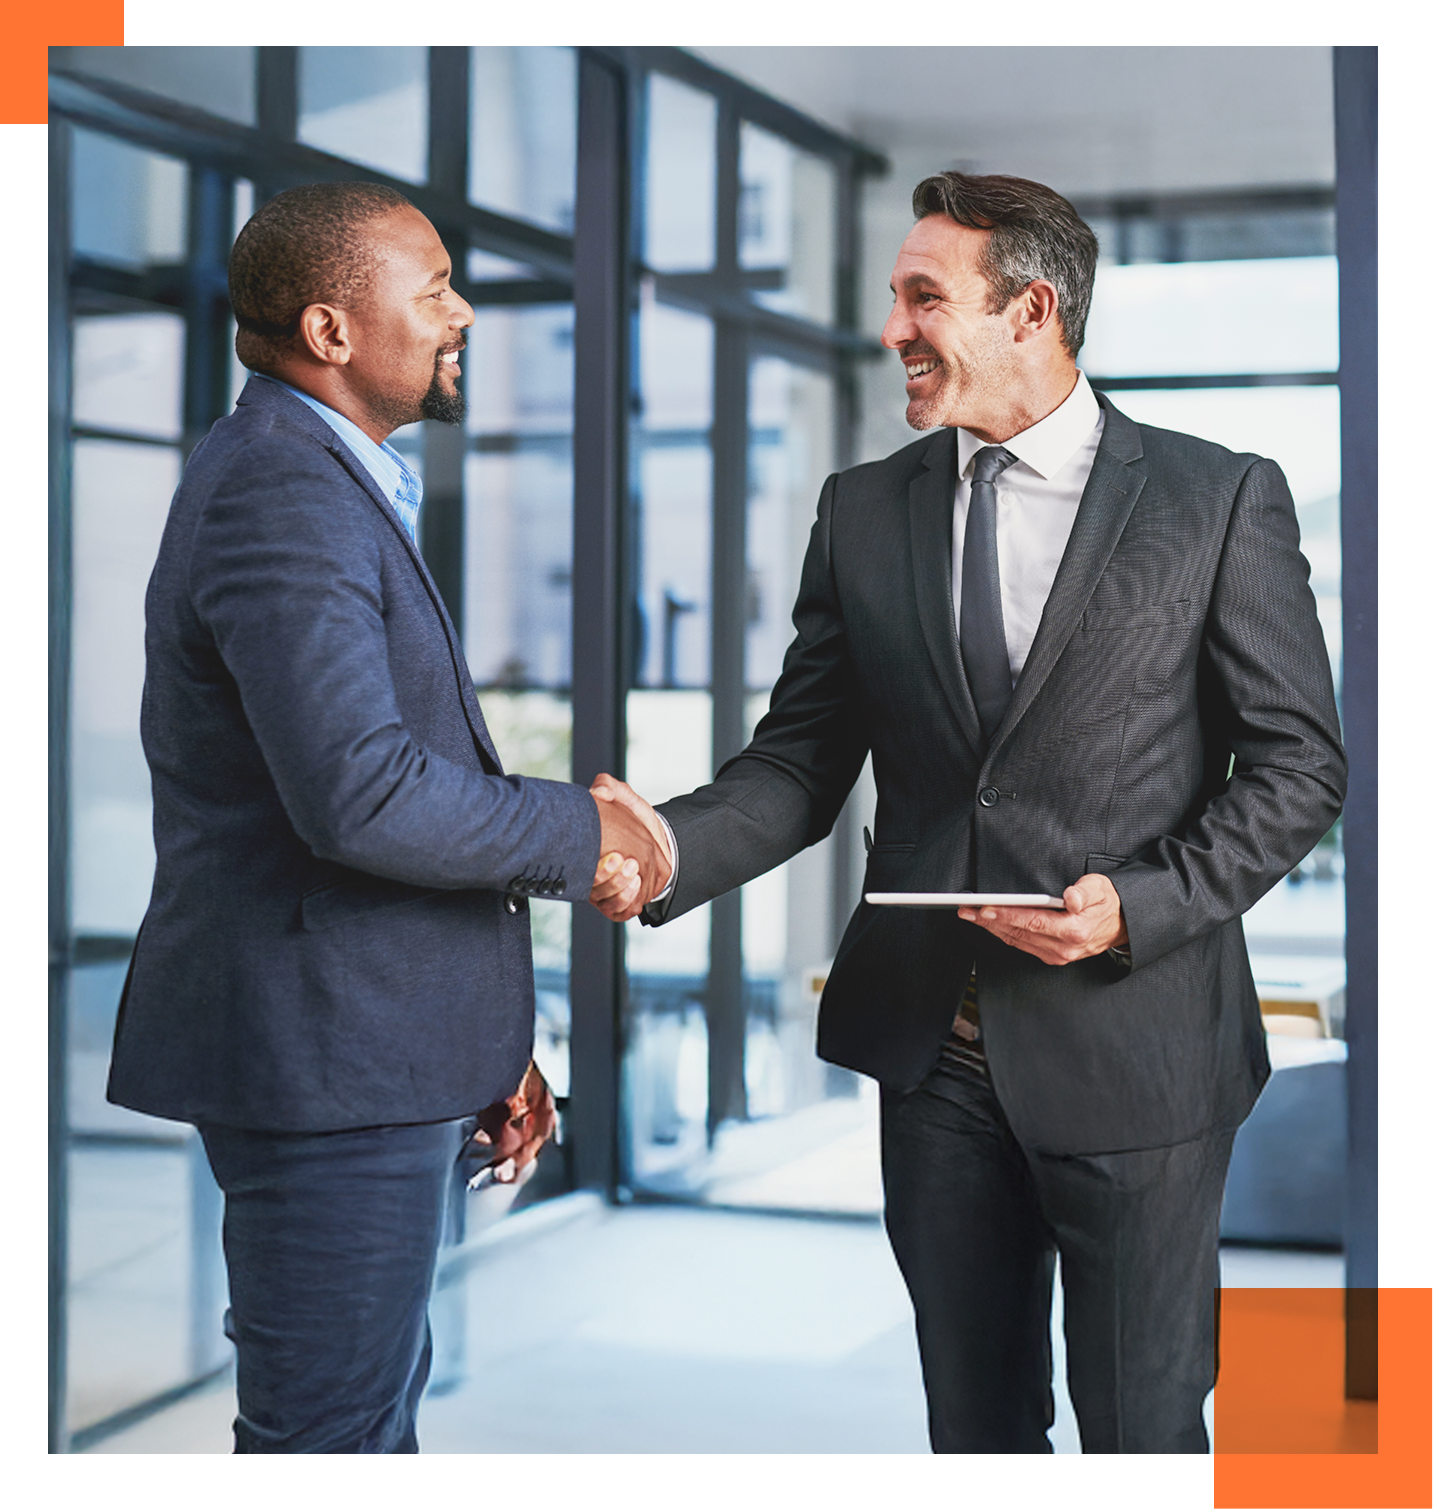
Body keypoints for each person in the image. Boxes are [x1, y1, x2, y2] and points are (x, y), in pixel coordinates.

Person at [593, 171, 1346, 1467]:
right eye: (895, 296)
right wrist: (664, 845)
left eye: (922, 298)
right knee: (975, 1439)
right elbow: (799, 763)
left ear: (1029, 311)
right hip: (933, 1054)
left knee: (1143, 1436)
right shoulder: (862, 510)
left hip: (1142, 1054)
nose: (891, 327)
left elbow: (1297, 766)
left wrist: (1137, 905)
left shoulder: (1217, 498)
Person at [106, 181, 665, 1466]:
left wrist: (484, 1050)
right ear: (330, 330)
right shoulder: (280, 489)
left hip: (368, 1054)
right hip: (323, 1067)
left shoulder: (326, 477)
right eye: (433, 290)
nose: (461, 314)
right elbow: (361, 794)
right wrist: (585, 837)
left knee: (364, 1436)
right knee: (325, 1451)